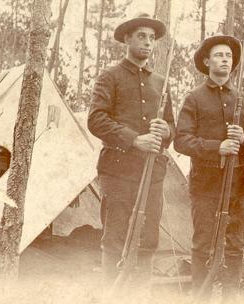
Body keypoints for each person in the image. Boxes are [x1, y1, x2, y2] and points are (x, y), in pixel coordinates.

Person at [87, 12, 175, 296]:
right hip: (118, 172)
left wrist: (165, 132)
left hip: (152, 175)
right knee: (115, 239)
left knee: (148, 239)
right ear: (127, 39)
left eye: (152, 38)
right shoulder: (109, 77)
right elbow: (96, 119)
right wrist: (135, 139)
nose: (148, 43)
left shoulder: (161, 82)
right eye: (141, 36)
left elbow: (173, 129)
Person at [174, 35, 244, 302]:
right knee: (203, 246)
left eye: (228, 56)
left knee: (235, 246)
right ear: (206, 61)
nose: (225, 60)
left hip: (237, 186)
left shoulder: (243, 99)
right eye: (219, 55)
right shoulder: (194, 98)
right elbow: (181, 140)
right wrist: (218, 146)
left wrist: (243, 140)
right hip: (206, 186)